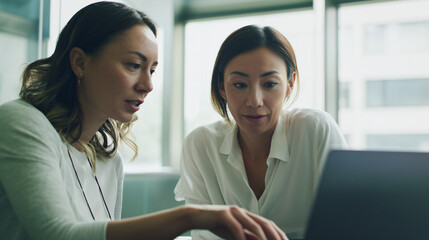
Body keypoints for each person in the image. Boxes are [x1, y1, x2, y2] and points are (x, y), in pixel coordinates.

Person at [0, 2, 287, 240]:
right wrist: (191, 216)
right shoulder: (22, 123)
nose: (148, 85)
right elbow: (57, 235)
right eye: (134, 66)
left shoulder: (109, 162)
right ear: (80, 63)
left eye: (152, 69)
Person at [174, 25, 348, 239]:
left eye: (270, 84)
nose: (254, 101)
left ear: (290, 84)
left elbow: (346, 226)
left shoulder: (315, 130)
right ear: (221, 86)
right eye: (239, 84)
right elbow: (202, 235)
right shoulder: (200, 144)